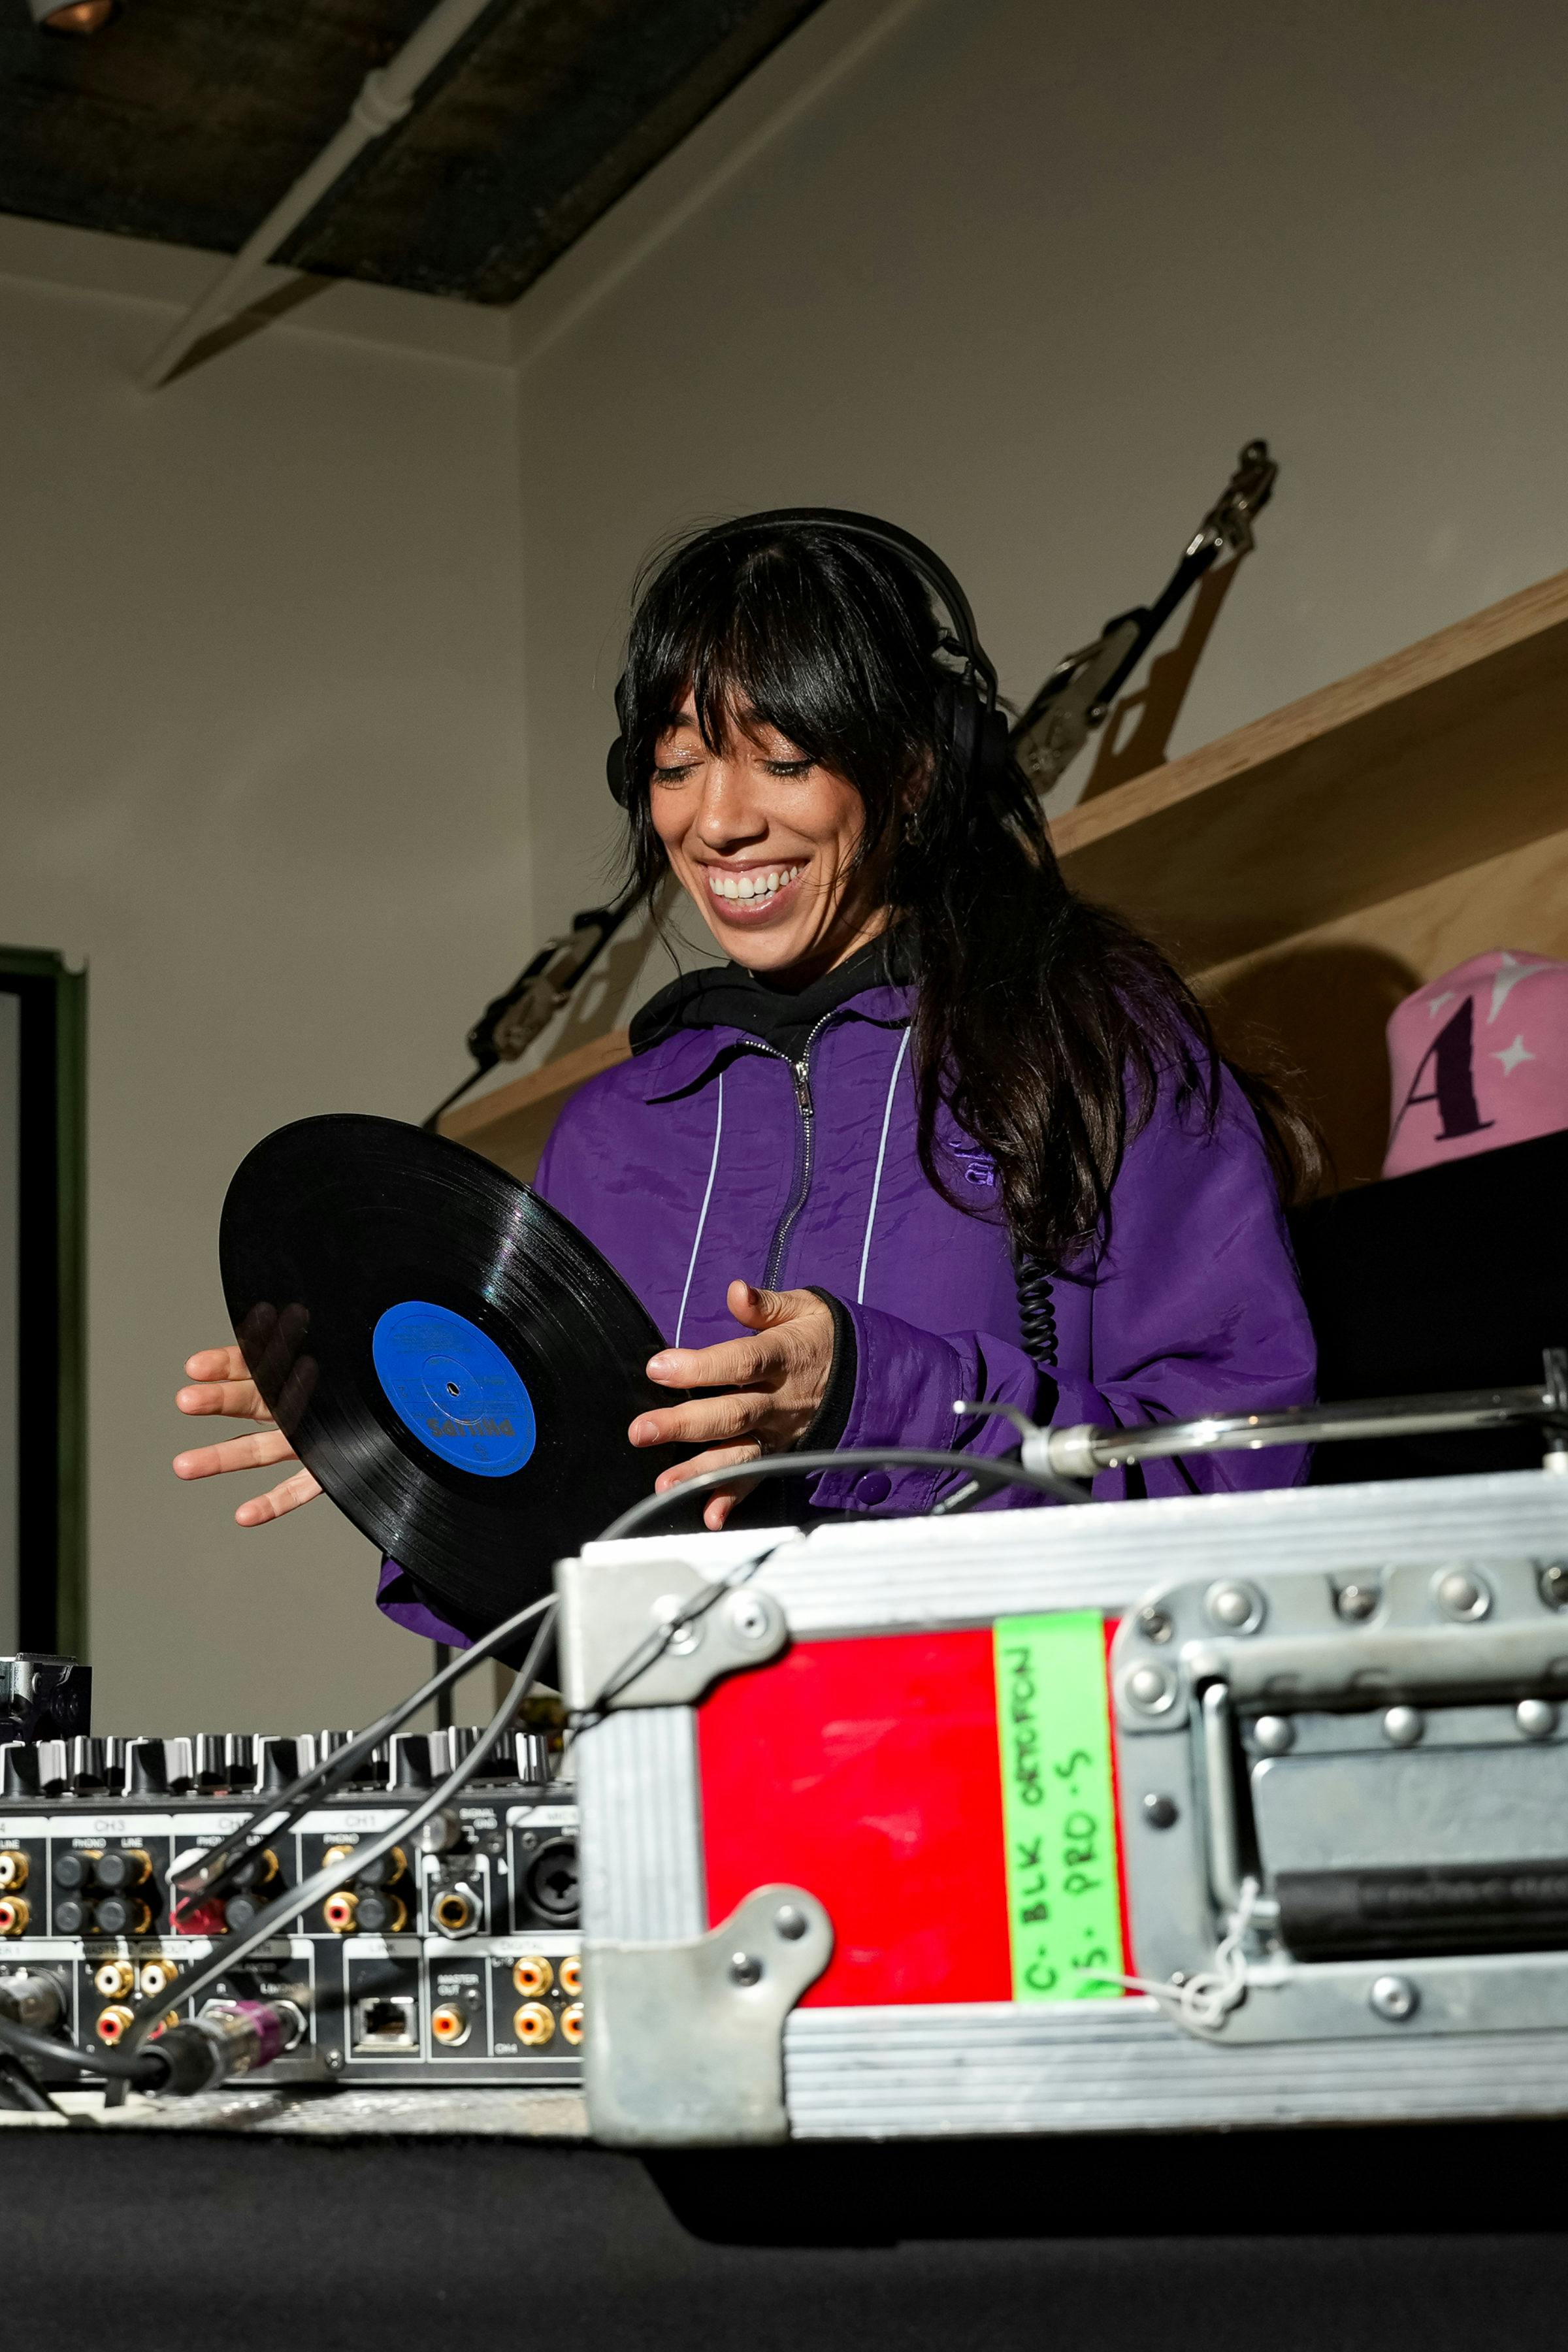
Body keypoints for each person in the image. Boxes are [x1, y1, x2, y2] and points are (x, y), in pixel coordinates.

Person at [174, 510, 1318, 1645]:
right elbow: (566, 1592)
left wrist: (875, 1393)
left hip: (1023, 1778)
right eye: (678, 765)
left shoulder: (1095, 1039)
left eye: (784, 759)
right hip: (703, 1807)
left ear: (914, 769)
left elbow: (1244, 1489)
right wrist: (411, 1455)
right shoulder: (612, 1135)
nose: (717, 822)